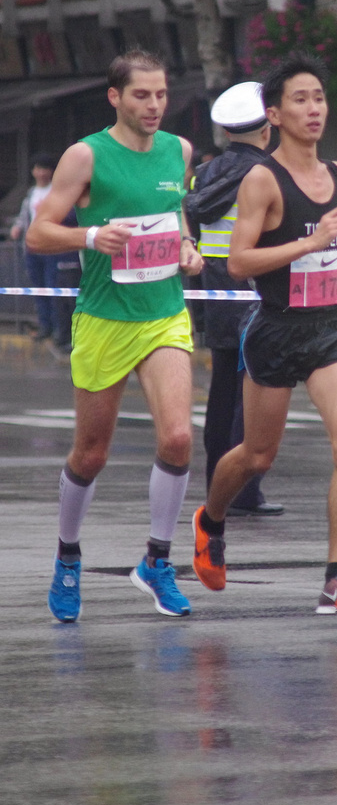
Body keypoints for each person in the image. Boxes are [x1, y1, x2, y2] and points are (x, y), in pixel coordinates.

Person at [191, 52, 337, 615]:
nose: (314, 109)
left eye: (319, 98)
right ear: (274, 115)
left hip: (332, 329)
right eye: (300, 100)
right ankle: (210, 521)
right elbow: (238, 262)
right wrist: (307, 243)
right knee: (257, 456)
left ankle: (336, 580)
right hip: (276, 329)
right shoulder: (261, 179)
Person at [26, 48, 204, 623]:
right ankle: (68, 554)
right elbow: (37, 235)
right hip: (104, 317)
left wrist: (186, 247)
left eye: (160, 95)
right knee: (91, 452)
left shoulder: (179, 150)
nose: (154, 106)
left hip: (163, 313)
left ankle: (156, 561)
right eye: (141, 96)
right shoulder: (86, 156)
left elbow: (174, 217)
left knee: (178, 438)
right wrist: (90, 236)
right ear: (115, 98)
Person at [185, 81, 283, 518]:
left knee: (222, 390)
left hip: (213, 292)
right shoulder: (268, 174)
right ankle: (244, 490)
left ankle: (216, 486)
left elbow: (198, 239)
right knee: (255, 393)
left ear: (226, 132)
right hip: (257, 292)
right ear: (267, 129)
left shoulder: (202, 175)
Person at [10, 153, 61, 342]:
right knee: (38, 288)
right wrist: (17, 227)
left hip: (51, 248)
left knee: (53, 287)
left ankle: (58, 328)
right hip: (32, 248)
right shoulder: (31, 193)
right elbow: (24, 215)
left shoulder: (56, 191)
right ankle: (44, 325)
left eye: (44, 168)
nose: (40, 172)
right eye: (37, 168)